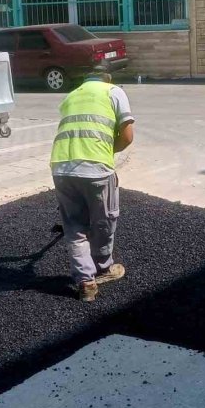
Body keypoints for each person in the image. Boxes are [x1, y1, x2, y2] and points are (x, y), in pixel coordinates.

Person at [50, 65, 134, 302]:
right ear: (108, 78)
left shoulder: (71, 96)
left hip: (61, 167)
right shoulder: (113, 91)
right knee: (104, 220)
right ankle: (104, 269)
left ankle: (86, 283)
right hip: (96, 169)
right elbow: (127, 136)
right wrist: (107, 151)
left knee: (74, 226)